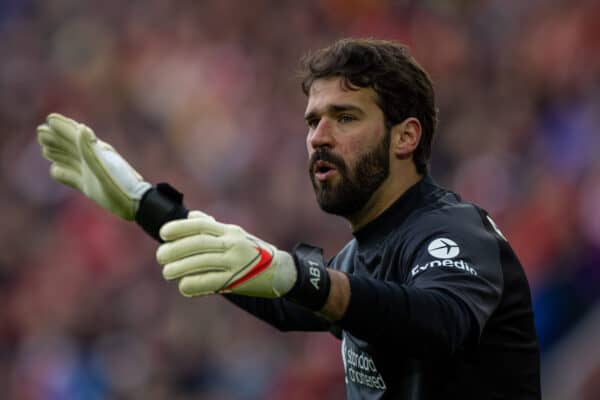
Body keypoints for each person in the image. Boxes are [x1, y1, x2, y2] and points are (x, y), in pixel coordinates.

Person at [37, 38, 541, 399]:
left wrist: (303, 277)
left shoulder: (454, 230)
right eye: (312, 121)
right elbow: (283, 299)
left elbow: (439, 322)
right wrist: (146, 204)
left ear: (405, 137)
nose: (319, 136)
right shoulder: (366, 252)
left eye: (344, 117)